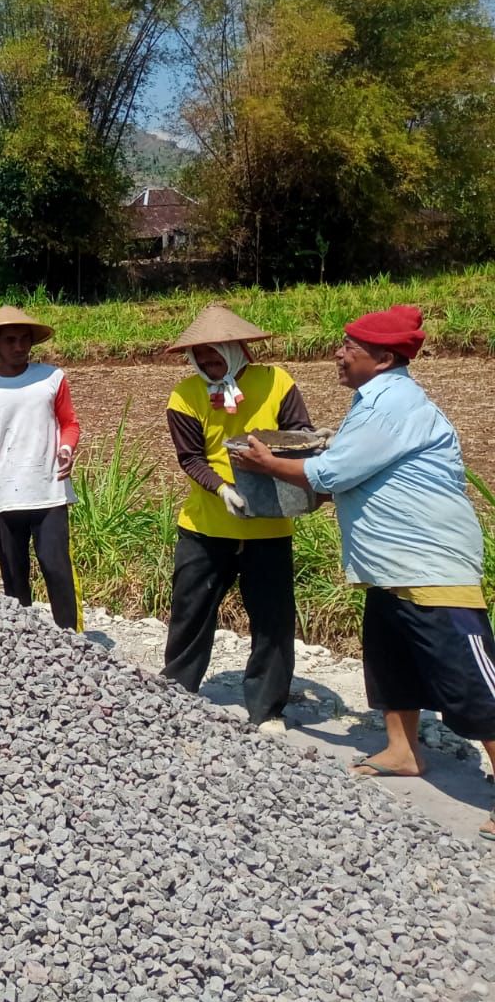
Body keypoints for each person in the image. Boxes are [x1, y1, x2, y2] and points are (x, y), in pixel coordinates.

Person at [234, 305, 495, 840]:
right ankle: (403, 751)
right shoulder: (373, 401)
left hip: (430, 563)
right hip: (389, 565)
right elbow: (345, 472)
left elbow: (331, 470)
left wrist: (270, 466)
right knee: (391, 661)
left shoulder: (393, 404)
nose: (338, 354)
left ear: (383, 357)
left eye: (349, 347)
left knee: (471, 680)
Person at [163, 304, 313, 732]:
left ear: (238, 350)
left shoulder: (276, 382)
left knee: (272, 616)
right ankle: (176, 692)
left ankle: (267, 709)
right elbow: (190, 457)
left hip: (269, 520)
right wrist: (223, 488)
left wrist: (281, 463)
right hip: (207, 521)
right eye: (201, 357)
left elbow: (299, 434)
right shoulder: (186, 395)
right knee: (191, 610)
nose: (208, 363)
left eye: (216, 355)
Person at [0, 306, 82, 630]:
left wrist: (67, 448)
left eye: (24, 340)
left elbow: (69, 423)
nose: (18, 347)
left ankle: (70, 639)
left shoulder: (51, 378)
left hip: (49, 490)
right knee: (14, 575)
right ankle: (22, 639)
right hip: (6, 493)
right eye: (10, 340)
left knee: (56, 568)